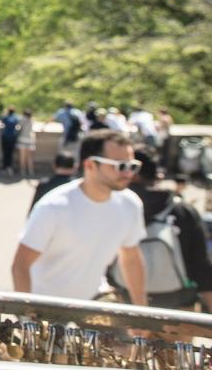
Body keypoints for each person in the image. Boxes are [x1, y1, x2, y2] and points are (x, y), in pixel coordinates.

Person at [12, 129, 147, 303]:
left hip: (94, 301)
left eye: (133, 166)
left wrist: (141, 311)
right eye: (120, 166)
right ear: (90, 165)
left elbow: (131, 258)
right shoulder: (53, 207)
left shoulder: (130, 204)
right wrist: (26, 317)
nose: (128, 173)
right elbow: (21, 265)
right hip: (44, 304)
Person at [124, 151, 212, 310]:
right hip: (179, 304)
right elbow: (201, 262)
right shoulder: (182, 210)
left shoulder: (115, 208)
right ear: (157, 175)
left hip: (126, 303)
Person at [0, 106, 20, 176]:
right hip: (12, 138)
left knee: (5, 153)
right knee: (10, 153)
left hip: (5, 137)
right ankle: (9, 167)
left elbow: (0, 122)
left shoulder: (5, 117)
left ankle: (4, 168)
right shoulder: (16, 118)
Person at [16, 109, 37, 177]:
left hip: (22, 138)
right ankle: (31, 171)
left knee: (22, 156)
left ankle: (23, 170)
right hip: (30, 139)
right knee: (29, 157)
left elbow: (18, 127)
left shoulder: (22, 120)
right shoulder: (32, 121)